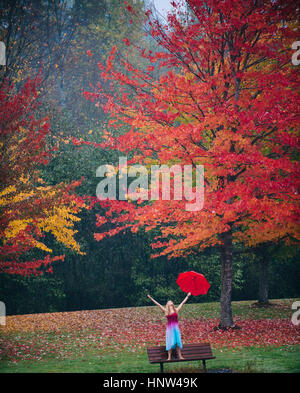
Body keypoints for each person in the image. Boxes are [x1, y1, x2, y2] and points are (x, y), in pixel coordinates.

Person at [147, 292, 191, 361]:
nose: (170, 302)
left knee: (178, 342)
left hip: (176, 329)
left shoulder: (176, 310)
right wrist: (151, 298)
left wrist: (187, 296)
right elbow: (158, 304)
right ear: (167, 304)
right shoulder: (165, 311)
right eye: (169, 302)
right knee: (170, 342)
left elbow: (182, 303)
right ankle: (169, 357)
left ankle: (180, 356)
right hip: (170, 329)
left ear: (172, 304)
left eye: (171, 301)